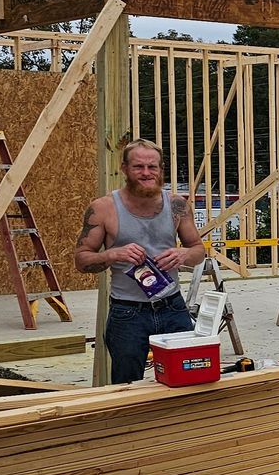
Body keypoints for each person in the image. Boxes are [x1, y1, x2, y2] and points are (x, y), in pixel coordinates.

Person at [74, 138, 207, 382]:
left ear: (161, 169)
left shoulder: (177, 205)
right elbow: (82, 260)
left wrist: (184, 254)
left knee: (188, 379)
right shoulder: (103, 208)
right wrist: (113, 254)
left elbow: (199, 250)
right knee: (127, 385)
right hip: (127, 312)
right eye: (138, 167)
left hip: (172, 307)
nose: (146, 173)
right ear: (124, 169)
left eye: (152, 167)